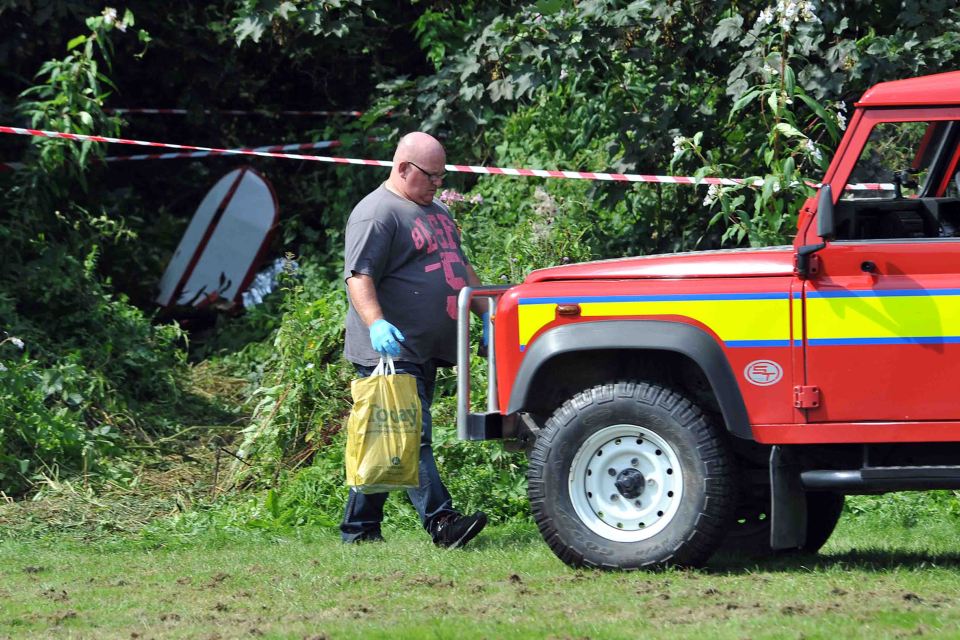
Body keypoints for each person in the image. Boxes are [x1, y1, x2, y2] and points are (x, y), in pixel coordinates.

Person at [340, 131, 488, 548]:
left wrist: (488, 314)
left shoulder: (436, 210)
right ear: (403, 168)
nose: (439, 184)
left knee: (385, 437)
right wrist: (376, 324)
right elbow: (359, 276)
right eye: (432, 175)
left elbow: (459, 266)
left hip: (425, 348)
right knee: (409, 435)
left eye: (442, 176)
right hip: (389, 349)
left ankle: (359, 530)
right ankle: (442, 523)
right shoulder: (376, 213)